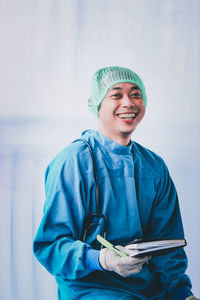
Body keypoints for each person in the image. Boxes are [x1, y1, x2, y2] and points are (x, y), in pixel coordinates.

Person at [33, 66, 198, 300]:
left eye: (136, 94)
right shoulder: (74, 162)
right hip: (92, 289)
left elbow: (167, 245)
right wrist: (101, 259)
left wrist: (183, 293)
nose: (128, 102)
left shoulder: (154, 167)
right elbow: (51, 246)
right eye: (116, 94)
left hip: (150, 290)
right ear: (98, 104)